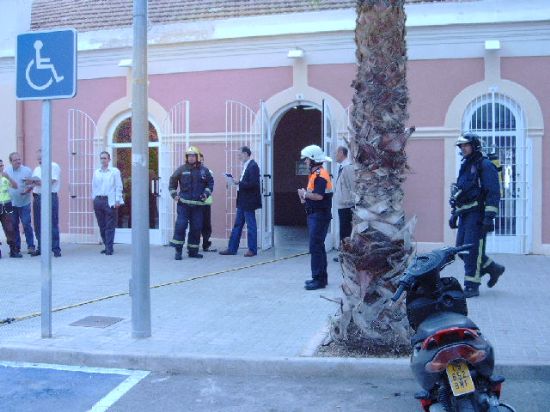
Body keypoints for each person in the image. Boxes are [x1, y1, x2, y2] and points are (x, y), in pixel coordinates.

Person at [450, 133, 505, 298]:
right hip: (465, 214)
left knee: (472, 250)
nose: (463, 148)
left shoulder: (485, 165)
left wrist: (489, 217)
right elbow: (461, 191)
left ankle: (471, 286)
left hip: (478, 215)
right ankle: (492, 268)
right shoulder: (466, 164)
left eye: (466, 145)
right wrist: (454, 214)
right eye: (461, 146)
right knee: (461, 249)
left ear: (474, 146)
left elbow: (493, 192)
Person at [298, 145, 333, 290]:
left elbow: (319, 196)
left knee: (315, 247)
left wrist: (305, 194)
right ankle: (320, 278)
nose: (304, 162)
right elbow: (314, 196)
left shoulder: (320, 175)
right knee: (318, 246)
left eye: (306, 159)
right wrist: (305, 196)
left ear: (312, 159)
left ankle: (318, 279)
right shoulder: (316, 174)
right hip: (316, 214)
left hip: (319, 216)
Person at [169, 146, 214, 260]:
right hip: (183, 204)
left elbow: (210, 183)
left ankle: (193, 251)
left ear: (197, 157)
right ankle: (178, 251)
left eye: (193, 156)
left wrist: (205, 194)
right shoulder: (181, 169)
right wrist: (175, 195)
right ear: (186, 157)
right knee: (181, 226)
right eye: (189, 156)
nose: (191, 158)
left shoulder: (204, 170)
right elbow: (172, 181)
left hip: (198, 205)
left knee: (196, 228)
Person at [219, 146, 261, 257]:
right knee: (238, 224)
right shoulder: (247, 166)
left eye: (240, 153)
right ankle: (232, 248)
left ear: (246, 154)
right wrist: (235, 182)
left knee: (251, 225)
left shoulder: (253, 166)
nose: (238, 156)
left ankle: (252, 249)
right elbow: (247, 183)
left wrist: (238, 182)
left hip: (249, 201)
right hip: (243, 200)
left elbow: (253, 184)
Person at [30, 149, 62, 257]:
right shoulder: (37, 169)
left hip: (49, 196)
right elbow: (34, 184)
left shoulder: (53, 166)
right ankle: (41, 247)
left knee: (52, 222)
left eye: (41, 158)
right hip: (38, 197)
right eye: (38, 158)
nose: (39, 160)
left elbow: (51, 181)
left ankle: (56, 249)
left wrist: (37, 182)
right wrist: (27, 186)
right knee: (38, 224)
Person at [92, 151, 123, 255]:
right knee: (102, 225)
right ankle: (106, 245)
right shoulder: (97, 172)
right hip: (98, 200)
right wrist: (94, 199)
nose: (103, 160)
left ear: (109, 160)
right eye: (101, 158)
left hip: (109, 201)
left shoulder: (114, 171)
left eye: (105, 158)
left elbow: (118, 186)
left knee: (110, 225)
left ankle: (109, 248)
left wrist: (118, 199)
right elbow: (94, 186)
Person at [5, 152, 36, 255]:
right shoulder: (7, 171)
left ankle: (31, 246)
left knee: (26, 224)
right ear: (11, 162)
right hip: (12, 203)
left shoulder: (27, 171)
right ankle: (16, 247)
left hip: (24, 203)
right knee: (14, 225)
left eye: (19, 159)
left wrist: (27, 191)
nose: (18, 161)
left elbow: (32, 184)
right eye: (15, 160)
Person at [333, 146, 354, 262]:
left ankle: (346, 256)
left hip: (347, 206)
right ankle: (343, 254)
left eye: (336, 153)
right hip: (342, 205)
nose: (335, 155)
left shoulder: (348, 168)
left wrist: (352, 202)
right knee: (343, 230)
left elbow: (352, 186)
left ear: (341, 153)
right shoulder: (341, 167)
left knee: (346, 231)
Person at [0, 159, 21, 258]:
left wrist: (8, 177)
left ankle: (13, 251)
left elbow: (16, 186)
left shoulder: (5, 177)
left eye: (2, 165)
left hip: (7, 205)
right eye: (0, 166)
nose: (1, 167)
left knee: (10, 228)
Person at [199, 152, 216, 252]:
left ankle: (206, 244)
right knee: (196, 224)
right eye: (199, 159)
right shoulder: (192, 171)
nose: (201, 161)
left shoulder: (208, 171)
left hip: (206, 202)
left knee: (206, 224)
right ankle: (194, 245)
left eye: (202, 160)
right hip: (196, 202)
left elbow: (210, 185)